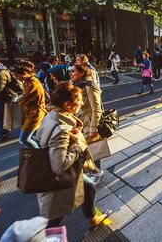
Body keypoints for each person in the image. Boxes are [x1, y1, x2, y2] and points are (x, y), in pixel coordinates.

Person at [36, 83, 109, 229]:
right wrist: (78, 145)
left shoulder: (52, 115)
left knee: (89, 187)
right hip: (60, 175)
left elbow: (40, 137)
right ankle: (50, 235)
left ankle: (93, 218)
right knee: (56, 214)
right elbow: (59, 166)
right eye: (79, 100)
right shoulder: (62, 129)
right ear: (67, 104)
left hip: (57, 167)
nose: (82, 103)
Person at [70, 63, 104, 183]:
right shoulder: (76, 84)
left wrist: (93, 129)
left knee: (93, 149)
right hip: (80, 122)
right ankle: (92, 171)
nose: (71, 73)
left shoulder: (90, 85)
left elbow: (97, 108)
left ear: (82, 73)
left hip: (89, 123)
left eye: (73, 71)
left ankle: (97, 172)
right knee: (85, 149)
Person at [11, 61, 46, 149]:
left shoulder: (33, 83)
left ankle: (38, 155)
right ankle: (41, 153)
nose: (16, 78)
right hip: (32, 111)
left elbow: (24, 99)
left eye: (17, 76)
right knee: (34, 137)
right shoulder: (29, 80)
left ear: (25, 73)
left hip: (35, 113)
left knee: (23, 139)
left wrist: (17, 99)